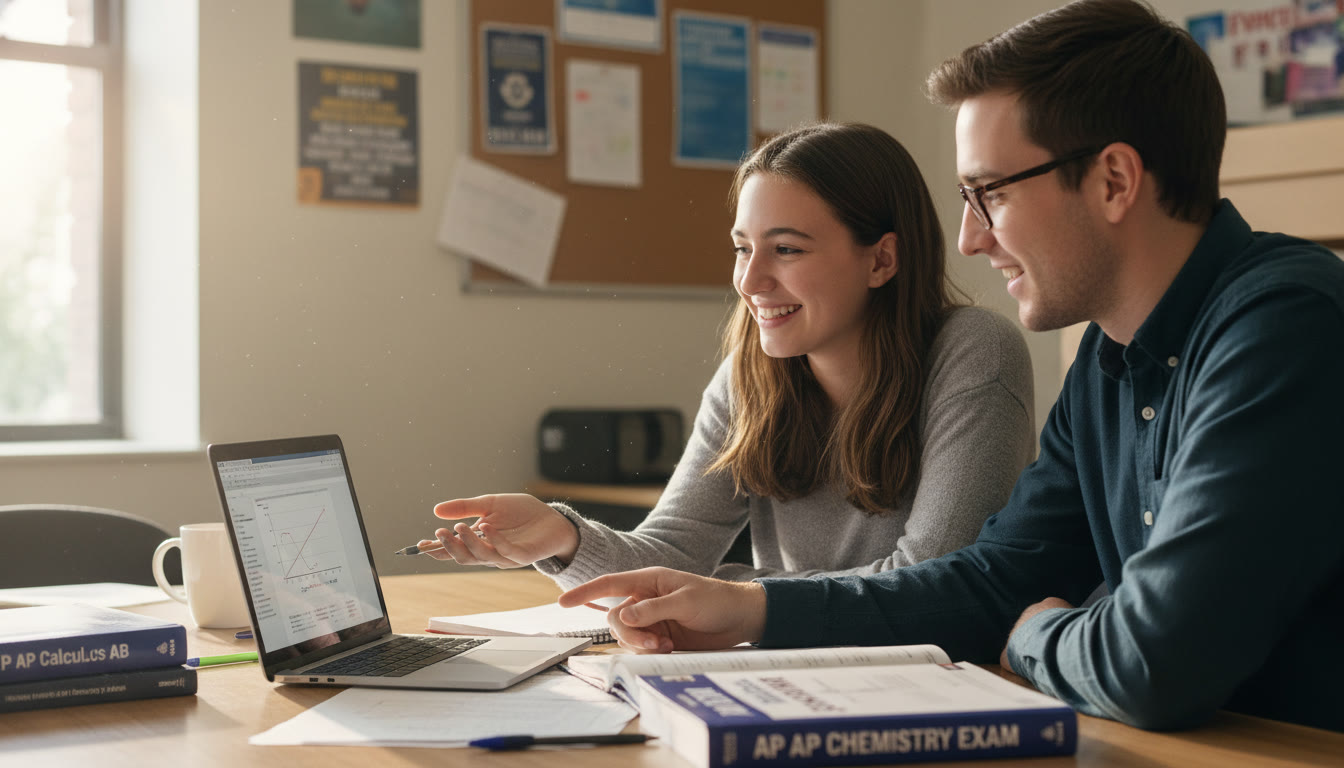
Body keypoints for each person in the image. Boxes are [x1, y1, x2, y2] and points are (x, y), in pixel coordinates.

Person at [559, 0, 1344, 734]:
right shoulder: (1111, 356)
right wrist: (752, 610)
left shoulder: (1285, 327)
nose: (969, 238)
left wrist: (1036, 633)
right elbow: (990, 583)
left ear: (1114, 180)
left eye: (989, 194)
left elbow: (1152, 661)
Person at [423, 122, 1035, 589]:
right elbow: (671, 552)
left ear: (881, 260)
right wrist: (562, 539)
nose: (751, 282)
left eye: (787, 250)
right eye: (743, 249)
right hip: (792, 678)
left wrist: (738, 596)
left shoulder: (974, 353)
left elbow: (929, 581)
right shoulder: (753, 375)